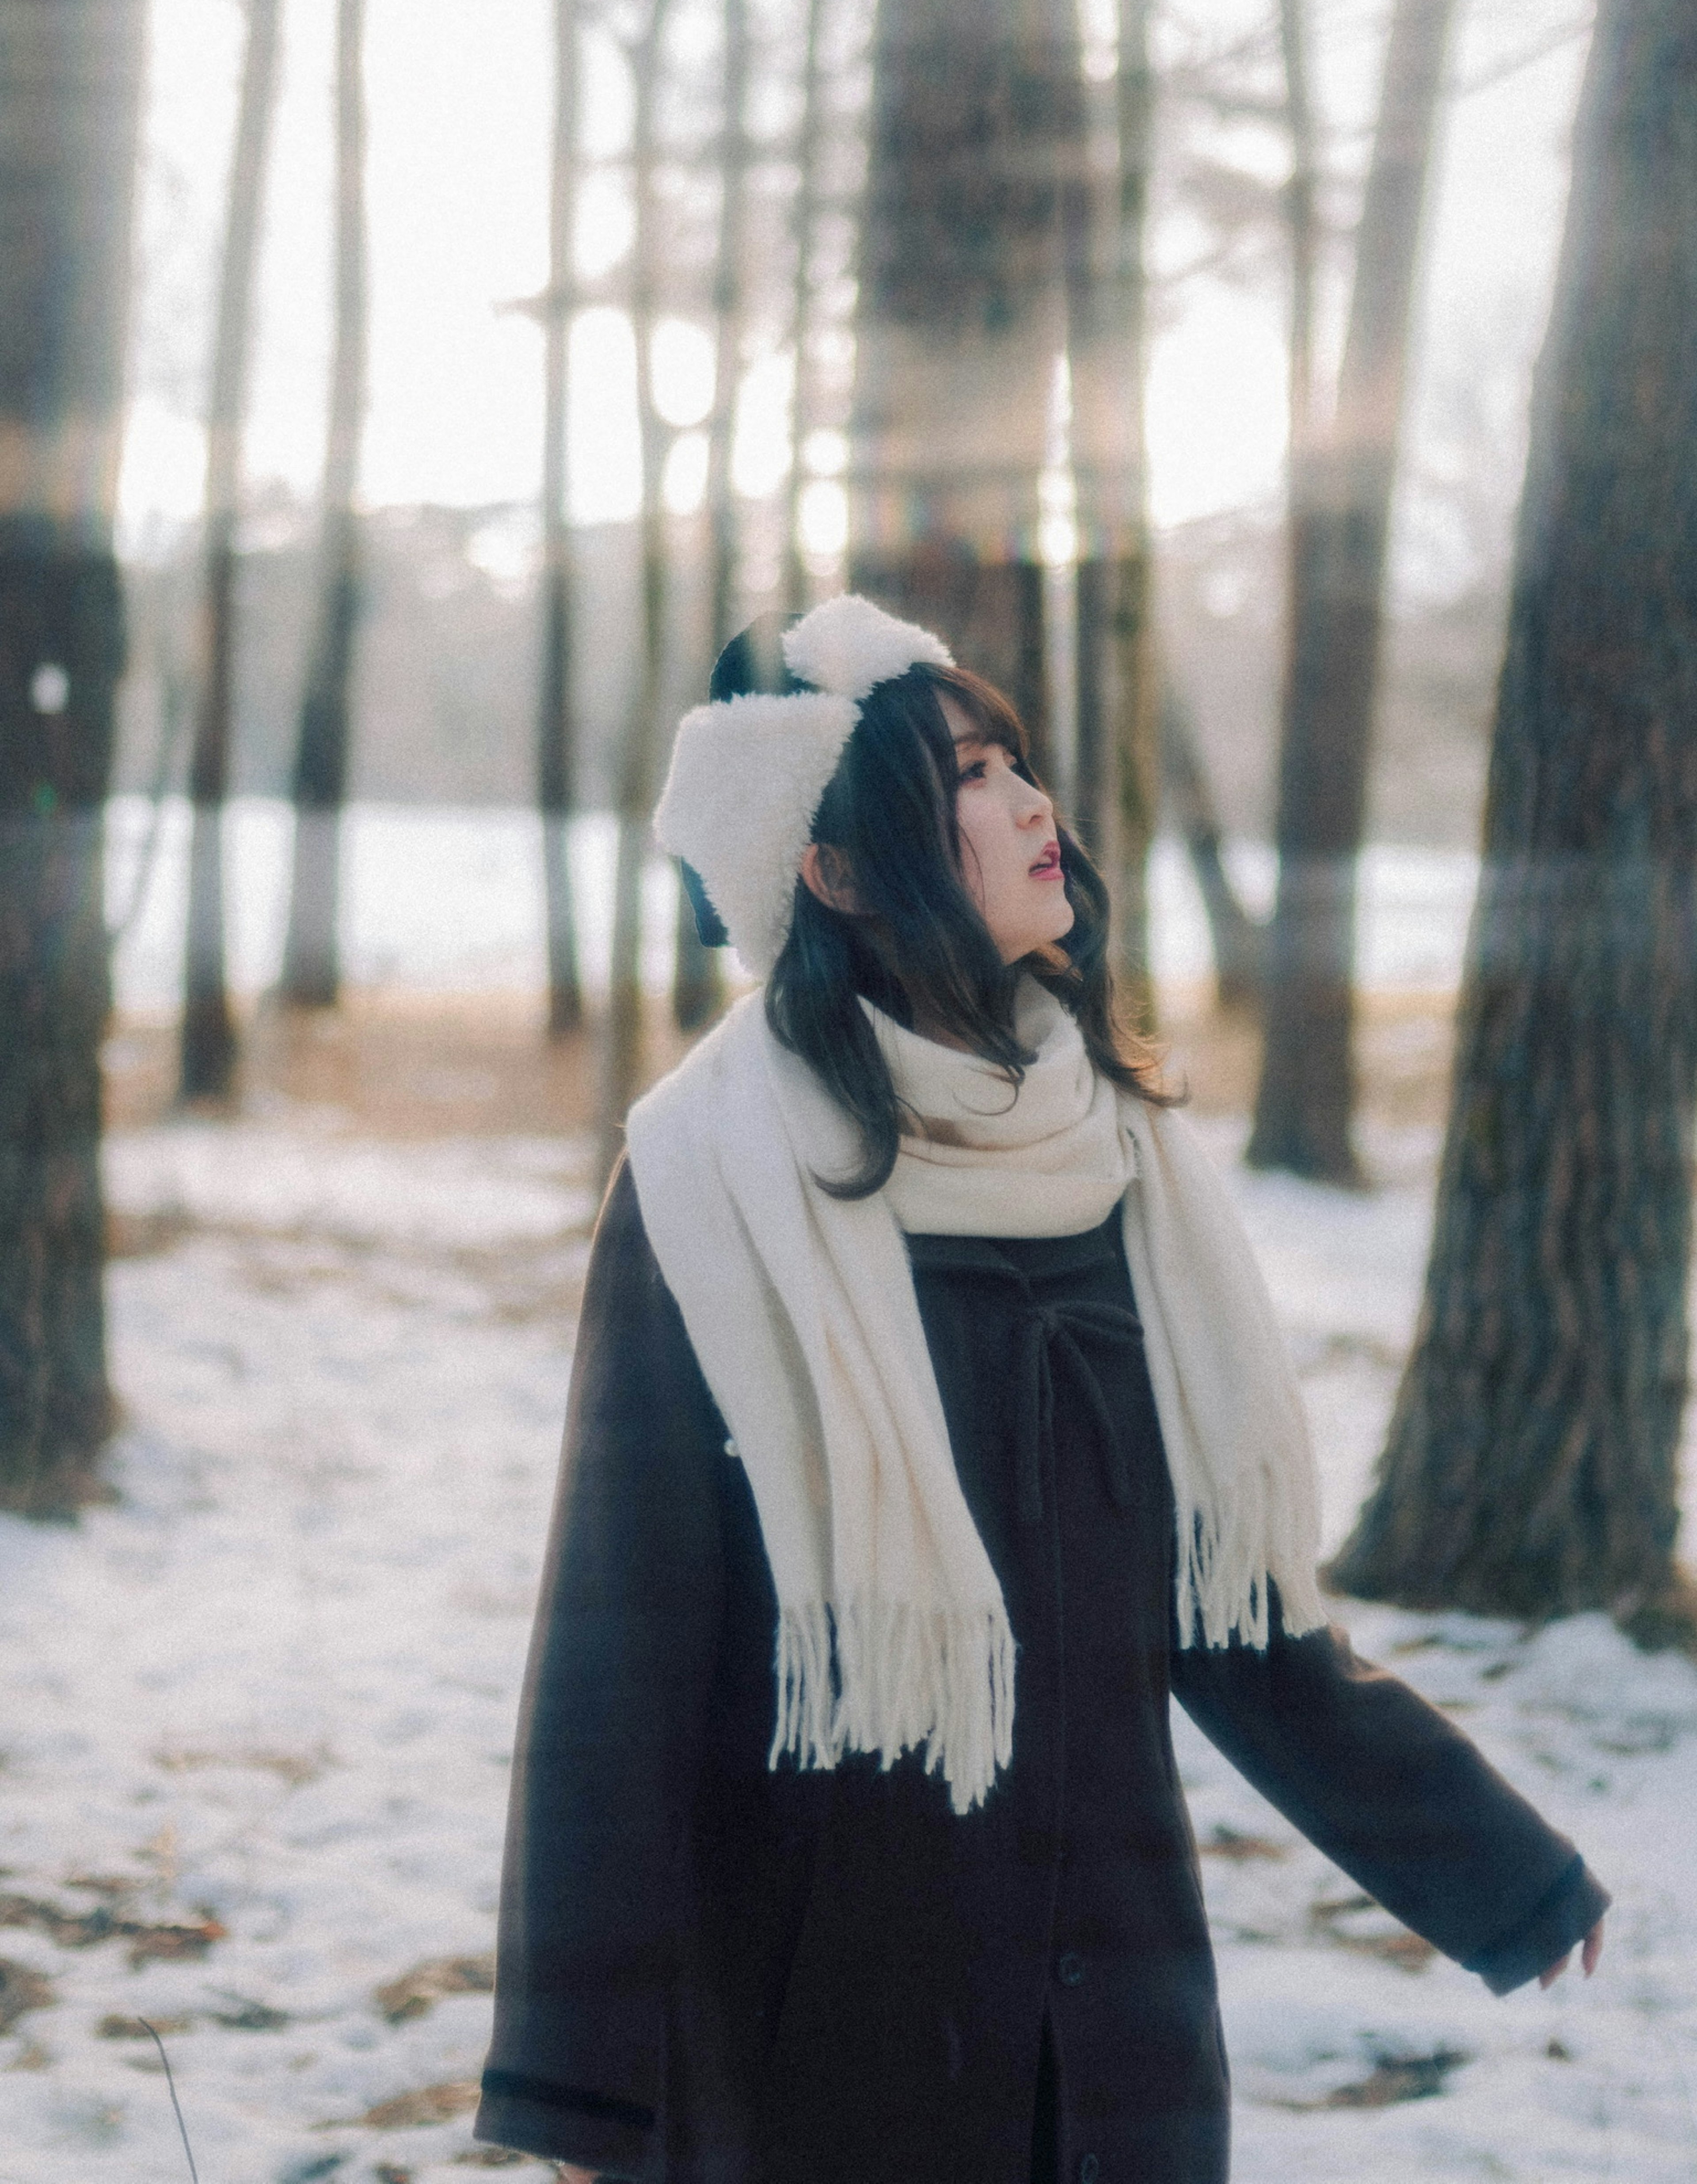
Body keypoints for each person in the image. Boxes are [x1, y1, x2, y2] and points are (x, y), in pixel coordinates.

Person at [474, 594, 1607, 2184]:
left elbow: (1238, 1622)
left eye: (1017, 764)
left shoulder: (1120, 1155)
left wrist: (1499, 1869)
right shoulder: (714, 1185)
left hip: (1117, 2026)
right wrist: (579, 2092)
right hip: (828, 2040)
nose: (1028, 807)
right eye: (968, 779)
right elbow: (619, 1648)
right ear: (840, 869)